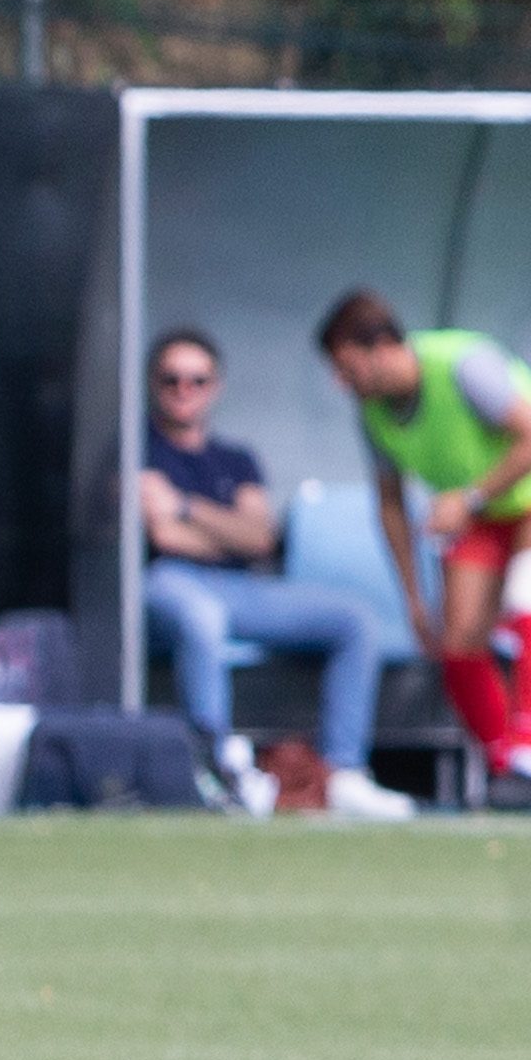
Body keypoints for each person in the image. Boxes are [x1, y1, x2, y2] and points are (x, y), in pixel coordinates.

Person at [317, 290, 531, 810]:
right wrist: (413, 598)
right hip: (481, 513)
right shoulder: (372, 415)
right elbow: (391, 507)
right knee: (458, 640)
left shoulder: (465, 365)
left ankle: (530, 758)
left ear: (382, 348)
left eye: (347, 367)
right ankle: (504, 773)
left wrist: (470, 497)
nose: (342, 383)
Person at [135, 327, 414, 819]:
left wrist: (183, 505)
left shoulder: (235, 459)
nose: (184, 390)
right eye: (171, 379)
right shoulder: (137, 450)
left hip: (241, 587)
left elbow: (258, 537)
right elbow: (165, 537)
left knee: (354, 620)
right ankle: (217, 768)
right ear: (153, 384)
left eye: (197, 380)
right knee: (201, 619)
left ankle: (343, 774)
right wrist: (222, 529)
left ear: (214, 387)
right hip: (169, 582)